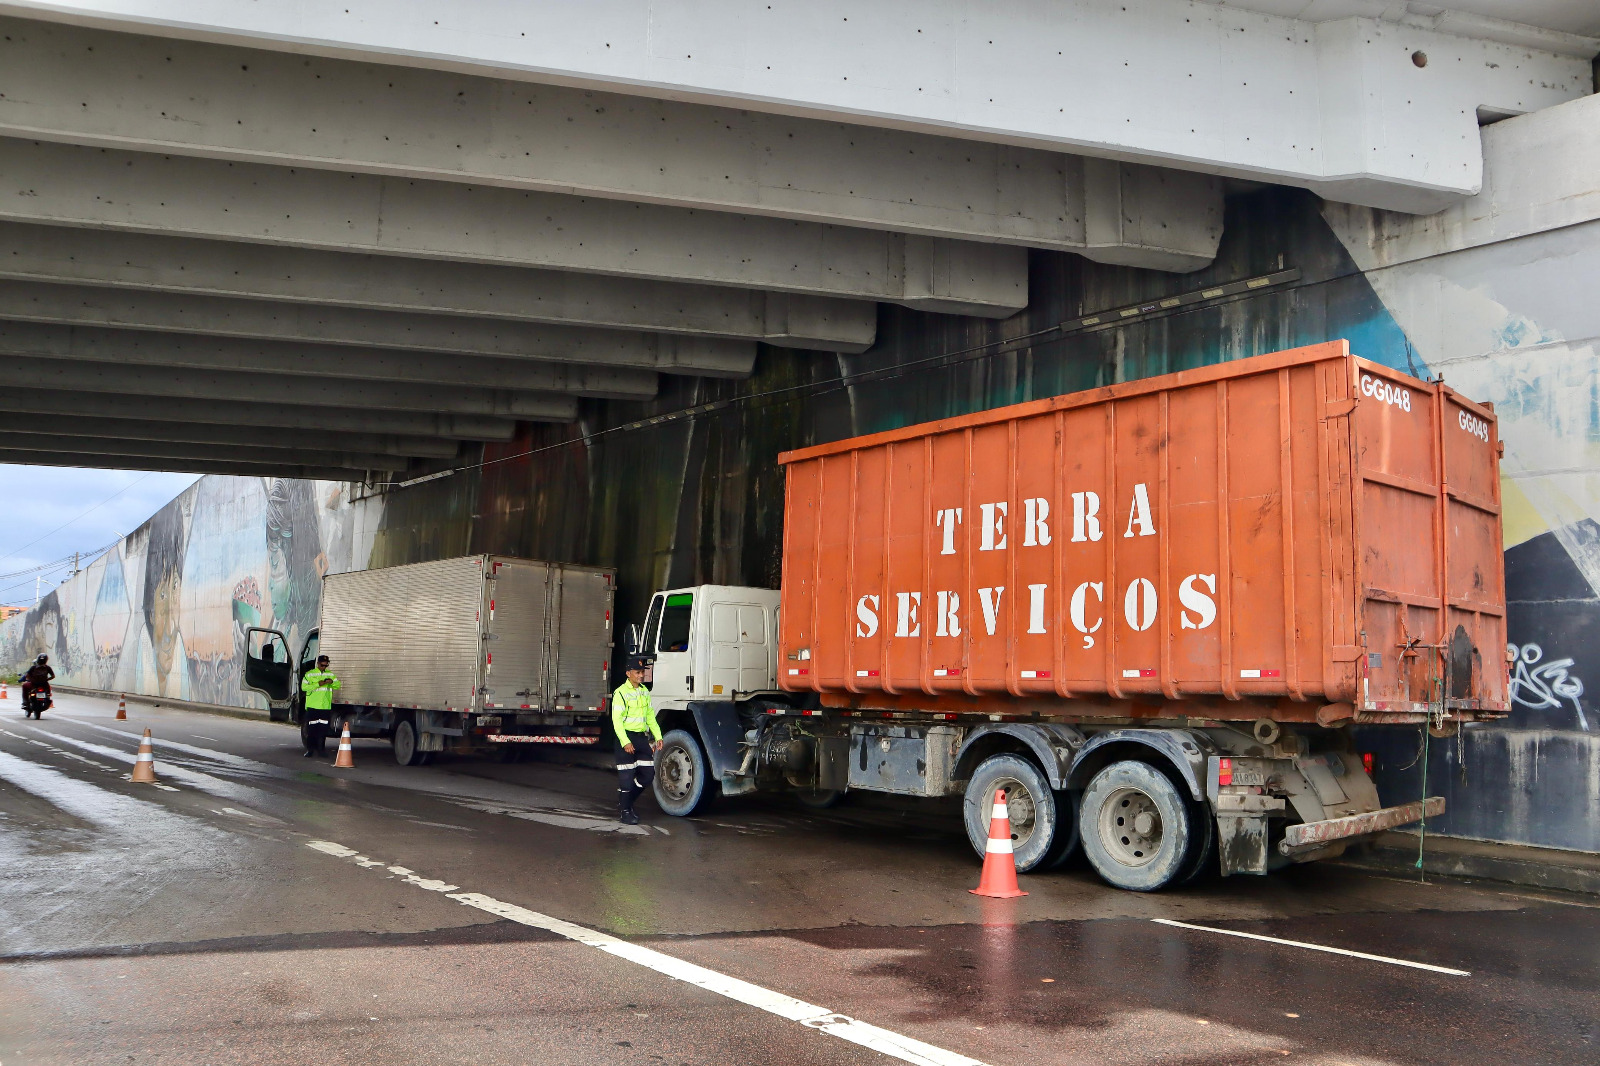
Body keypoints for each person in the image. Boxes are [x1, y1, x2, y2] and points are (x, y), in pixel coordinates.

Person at [611, 656, 662, 824]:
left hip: (641, 738)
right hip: (625, 738)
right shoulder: (620, 693)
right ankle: (625, 812)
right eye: (637, 672)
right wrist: (625, 741)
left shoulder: (644, 692)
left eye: (642, 672)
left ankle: (626, 801)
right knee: (626, 777)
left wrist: (658, 736)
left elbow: (650, 717)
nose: (641, 676)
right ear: (628, 673)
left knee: (648, 775)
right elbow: (617, 720)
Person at [300, 654, 341, 757]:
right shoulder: (310, 674)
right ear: (318, 663)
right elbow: (304, 687)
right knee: (311, 730)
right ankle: (310, 750)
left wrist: (331, 682)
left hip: (325, 707)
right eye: (322, 665)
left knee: (323, 730)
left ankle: (321, 750)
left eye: (326, 665)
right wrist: (318, 684)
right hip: (313, 706)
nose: (324, 667)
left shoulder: (330, 674)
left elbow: (338, 685)